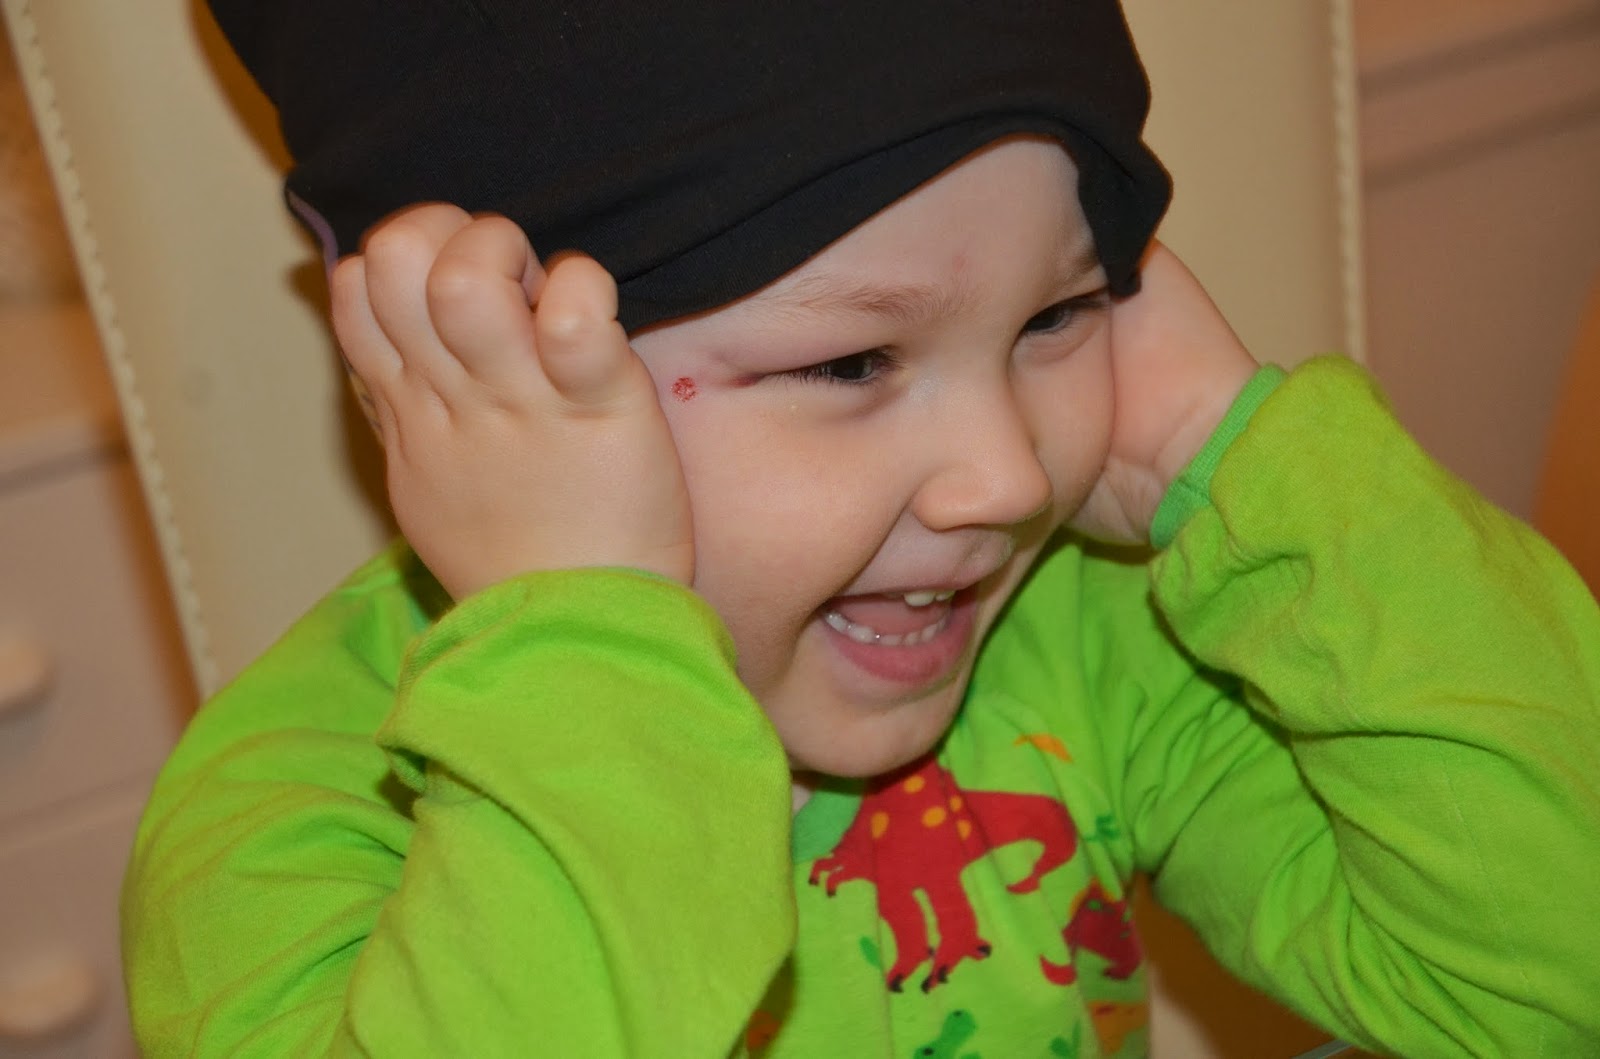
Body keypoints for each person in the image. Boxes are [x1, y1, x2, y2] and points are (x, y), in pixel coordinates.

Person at [121, 3, 1600, 1057]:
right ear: (470, 387)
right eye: (849, 363)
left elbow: (1545, 984)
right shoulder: (301, 820)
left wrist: (1241, 459)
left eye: (1058, 316)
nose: (1003, 478)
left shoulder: (1096, 636)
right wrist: (584, 640)